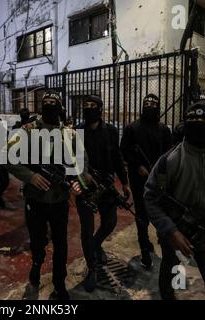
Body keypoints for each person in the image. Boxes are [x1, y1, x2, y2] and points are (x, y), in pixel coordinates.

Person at [144, 100, 205, 300]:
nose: (199, 131)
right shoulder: (170, 160)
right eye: (195, 125)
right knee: (174, 282)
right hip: (178, 237)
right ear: (186, 127)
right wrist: (171, 231)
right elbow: (150, 198)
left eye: (204, 125)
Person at [5, 90, 85, 300]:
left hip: (59, 200)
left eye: (53, 102)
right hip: (36, 200)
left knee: (61, 244)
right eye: (45, 102)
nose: (49, 105)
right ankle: (36, 267)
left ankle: (59, 282)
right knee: (38, 241)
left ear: (60, 106)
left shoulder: (69, 133)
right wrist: (30, 176)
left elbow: (80, 162)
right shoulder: (28, 131)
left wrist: (78, 183)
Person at [75, 95, 130, 292]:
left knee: (110, 223)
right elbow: (72, 159)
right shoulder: (78, 131)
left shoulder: (111, 131)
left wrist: (124, 182)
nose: (88, 108)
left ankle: (96, 245)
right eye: (85, 106)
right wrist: (84, 174)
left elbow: (117, 157)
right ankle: (92, 268)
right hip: (85, 186)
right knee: (86, 230)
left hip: (106, 186)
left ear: (100, 109)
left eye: (92, 105)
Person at [120, 94, 173, 270]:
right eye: (147, 103)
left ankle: (163, 243)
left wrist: (161, 174)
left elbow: (169, 155)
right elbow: (124, 151)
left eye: (153, 104)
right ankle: (144, 247)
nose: (150, 106)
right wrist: (137, 166)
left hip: (159, 179)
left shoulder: (164, 130)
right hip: (139, 179)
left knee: (160, 212)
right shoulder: (132, 128)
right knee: (142, 215)